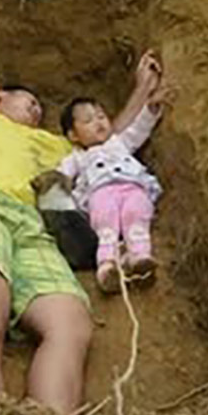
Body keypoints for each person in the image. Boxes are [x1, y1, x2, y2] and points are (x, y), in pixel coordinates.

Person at [0, 46, 159, 414]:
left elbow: (107, 140)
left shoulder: (54, 146)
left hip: (32, 223)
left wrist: (142, 88)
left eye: (40, 107)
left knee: (71, 323)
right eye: (29, 100)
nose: (37, 110)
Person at [57, 67, 167, 294]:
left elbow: (139, 130)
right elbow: (61, 176)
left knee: (136, 214)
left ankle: (139, 259)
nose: (98, 122)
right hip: (100, 192)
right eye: (87, 120)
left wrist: (151, 108)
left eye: (101, 116)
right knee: (105, 223)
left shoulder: (119, 143)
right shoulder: (78, 157)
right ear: (73, 136)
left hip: (133, 187)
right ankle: (107, 267)